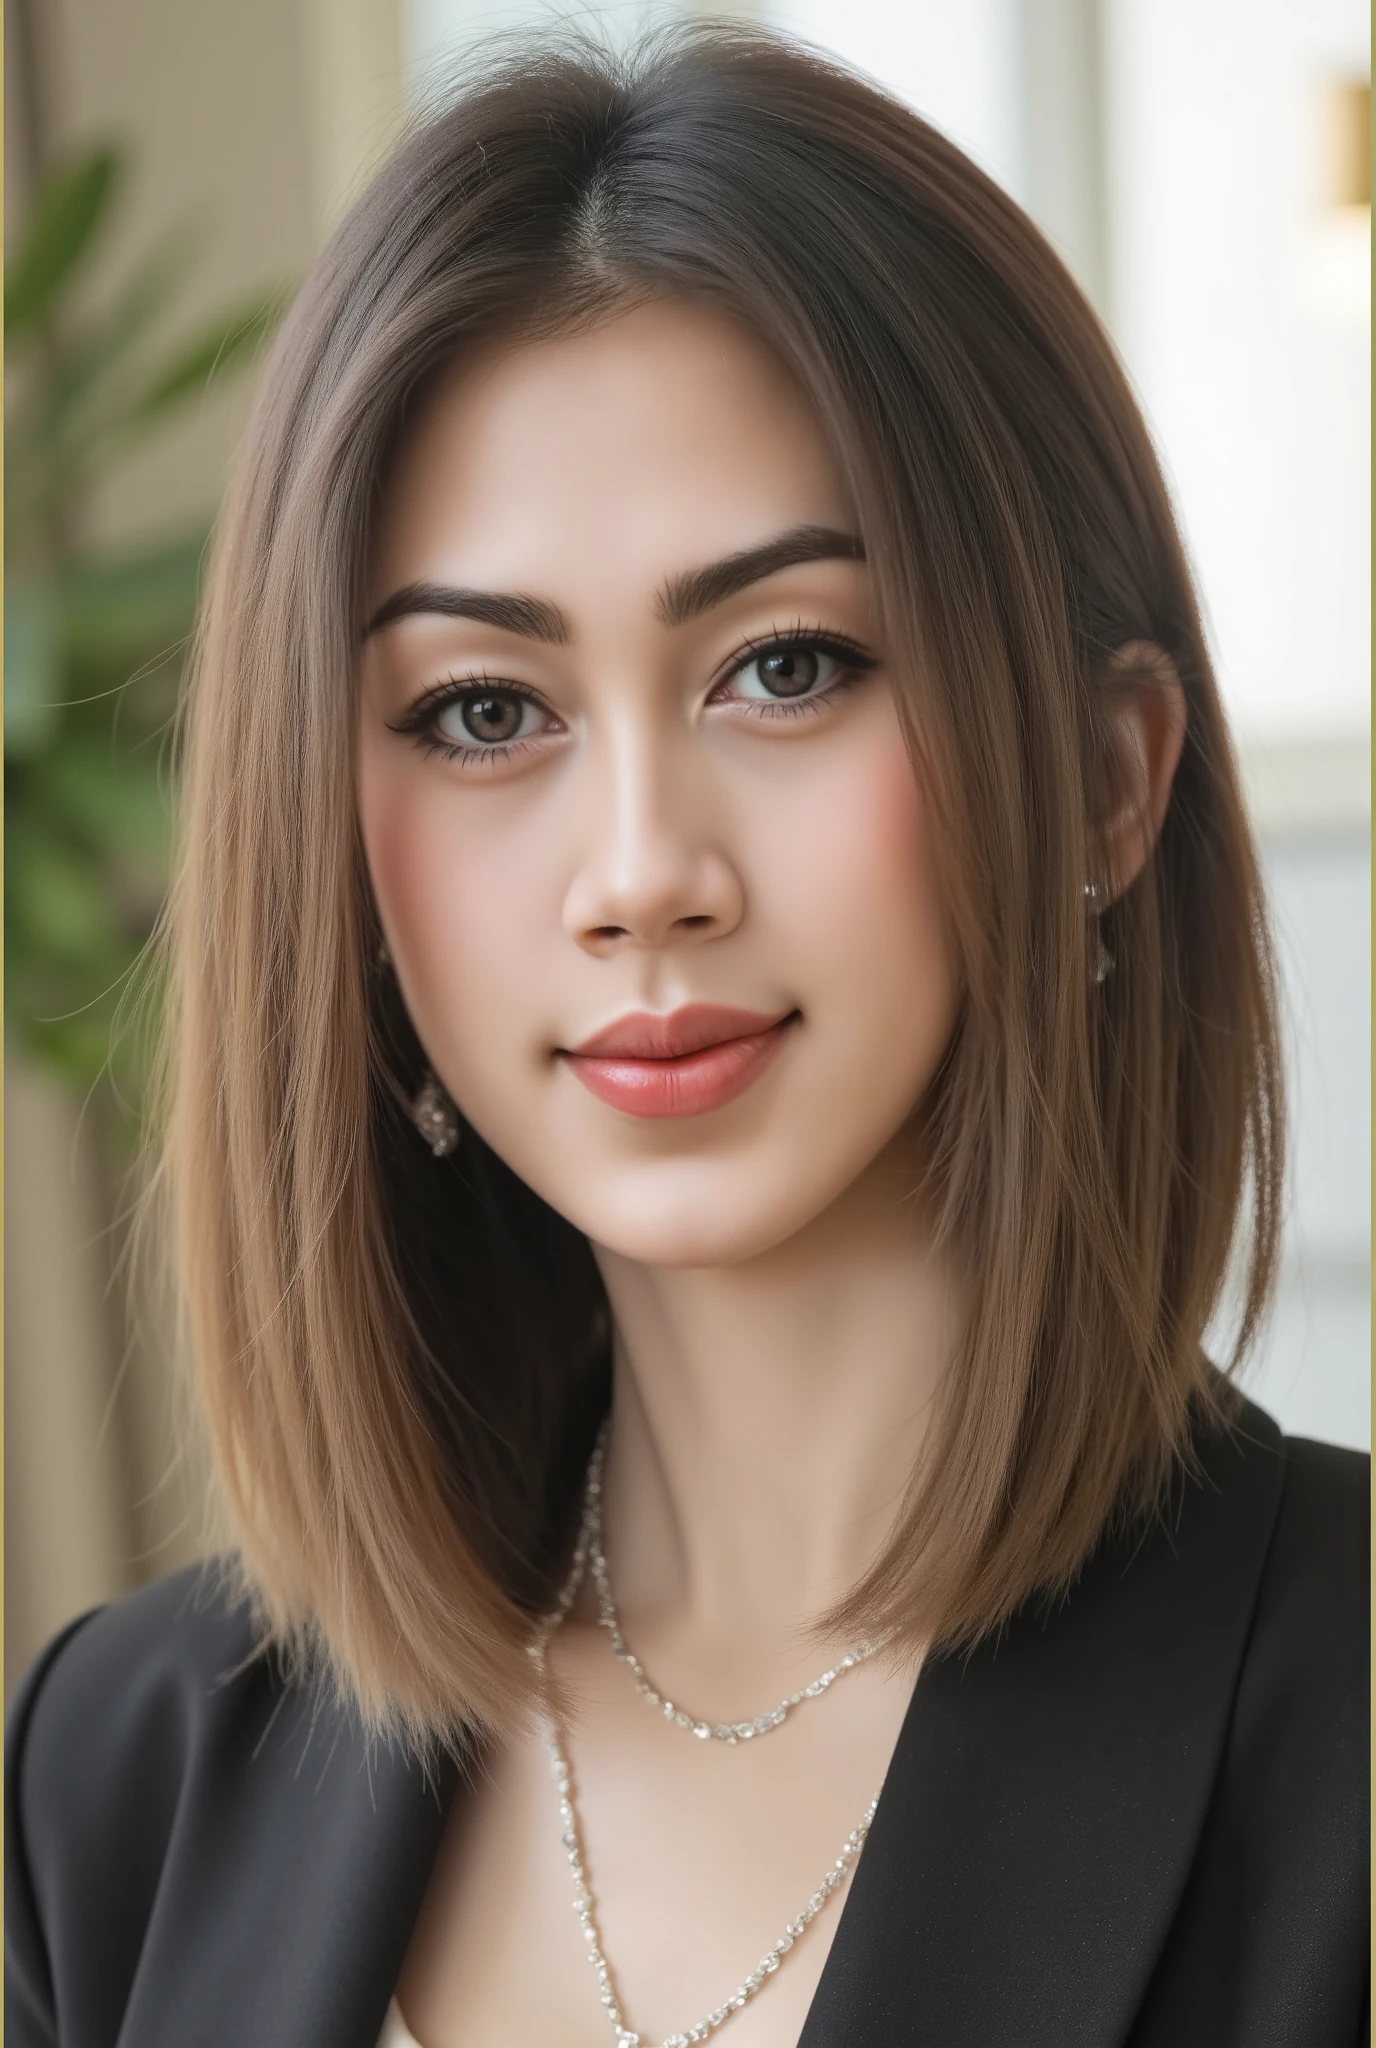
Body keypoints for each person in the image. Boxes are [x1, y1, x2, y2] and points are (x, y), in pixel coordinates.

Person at [5, 25, 1367, 2048]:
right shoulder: (121, 1774)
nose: (640, 872)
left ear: (1106, 781)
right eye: (484, 710)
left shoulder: (1345, 1728)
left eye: (786, 667)